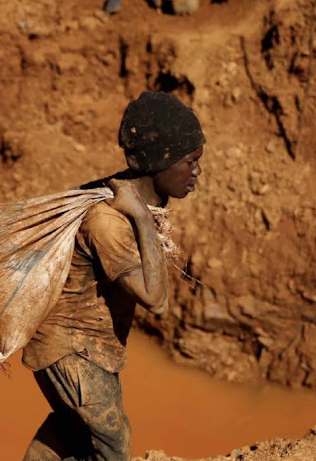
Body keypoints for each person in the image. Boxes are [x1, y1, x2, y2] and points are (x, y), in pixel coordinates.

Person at [22, 91, 205, 461]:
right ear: (159, 164)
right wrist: (139, 217)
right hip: (71, 347)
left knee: (73, 430)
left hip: (88, 344)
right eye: (190, 161)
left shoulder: (129, 191)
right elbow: (156, 300)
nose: (197, 171)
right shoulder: (109, 221)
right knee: (113, 444)